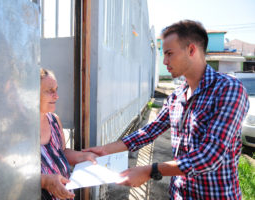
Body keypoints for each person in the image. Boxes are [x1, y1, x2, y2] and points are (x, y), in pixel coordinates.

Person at [83, 20, 250, 199]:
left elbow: (210, 155)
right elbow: (149, 131)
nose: (164, 61)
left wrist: (150, 170)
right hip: (179, 194)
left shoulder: (228, 89)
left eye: (169, 54)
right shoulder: (177, 95)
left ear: (192, 50)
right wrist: (106, 149)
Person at [40, 68, 97, 200]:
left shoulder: (54, 120)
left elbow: (61, 152)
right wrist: (44, 181)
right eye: (50, 91)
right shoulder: (20, 129)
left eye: (56, 90)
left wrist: (83, 157)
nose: (56, 96)